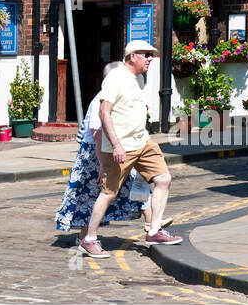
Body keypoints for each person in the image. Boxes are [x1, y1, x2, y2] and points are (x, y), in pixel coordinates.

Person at [80, 41, 182, 258]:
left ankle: (154, 230)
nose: (150, 59)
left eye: (151, 55)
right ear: (132, 56)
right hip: (121, 147)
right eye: (146, 55)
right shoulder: (116, 77)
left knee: (163, 178)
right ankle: (89, 239)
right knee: (108, 193)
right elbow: (104, 112)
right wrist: (116, 144)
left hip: (142, 142)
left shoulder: (136, 79)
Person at [56, 66, 173, 241]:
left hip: (119, 149)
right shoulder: (100, 101)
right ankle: (86, 237)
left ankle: (152, 225)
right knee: (93, 196)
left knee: (136, 186)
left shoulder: (120, 95)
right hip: (96, 155)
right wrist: (102, 164)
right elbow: (97, 135)